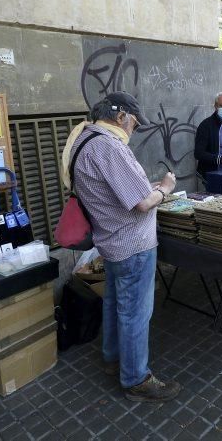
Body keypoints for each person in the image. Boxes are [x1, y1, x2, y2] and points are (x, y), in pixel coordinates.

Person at [70, 92, 181, 402]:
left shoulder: (83, 139)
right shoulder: (109, 146)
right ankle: (136, 379)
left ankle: (112, 358)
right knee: (135, 312)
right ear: (121, 117)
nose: (133, 130)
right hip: (132, 245)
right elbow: (143, 203)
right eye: (134, 123)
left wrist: (152, 190)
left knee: (115, 303)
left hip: (111, 241)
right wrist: (165, 189)